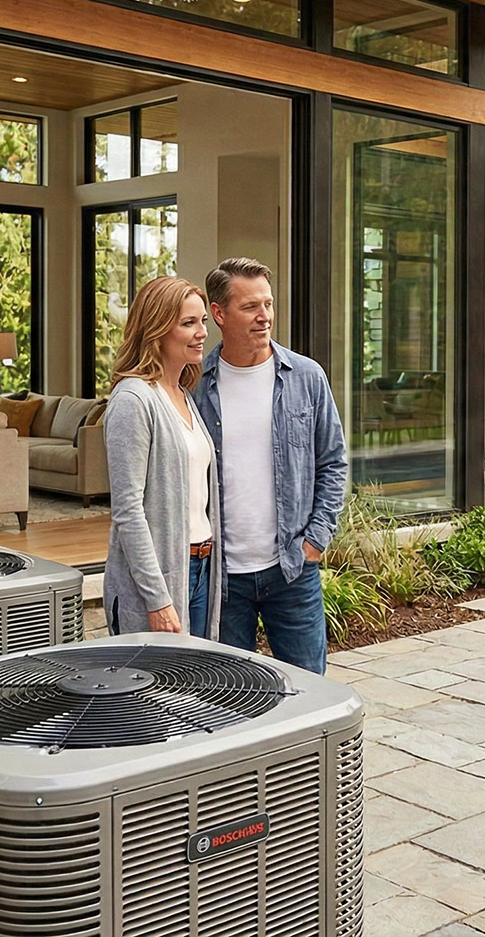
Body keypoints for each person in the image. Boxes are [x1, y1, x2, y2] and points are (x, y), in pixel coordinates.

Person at [195, 257, 347, 673]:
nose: (264, 317)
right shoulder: (192, 385)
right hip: (222, 578)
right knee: (227, 695)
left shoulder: (306, 377)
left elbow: (333, 461)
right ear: (219, 314)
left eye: (269, 304)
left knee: (309, 691)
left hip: (292, 570)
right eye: (250, 307)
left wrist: (316, 539)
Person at [102, 276, 223, 640]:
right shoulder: (134, 400)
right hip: (164, 576)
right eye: (188, 323)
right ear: (156, 329)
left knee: (196, 689)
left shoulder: (185, 395)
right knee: (156, 694)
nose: (202, 332)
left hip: (201, 568)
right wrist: (157, 598)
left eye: (202, 321)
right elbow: (127, 509)